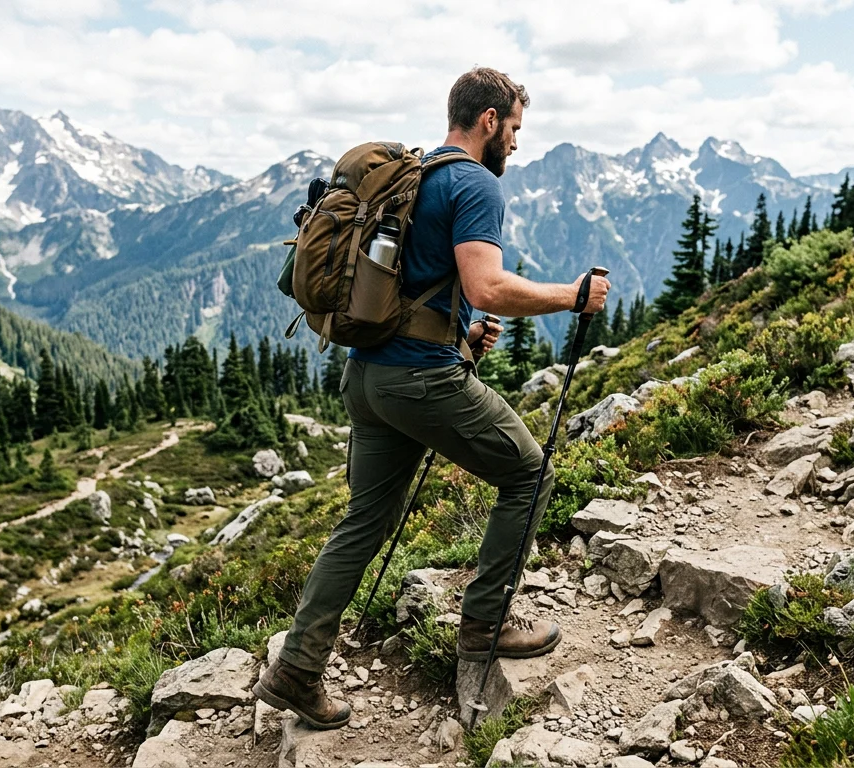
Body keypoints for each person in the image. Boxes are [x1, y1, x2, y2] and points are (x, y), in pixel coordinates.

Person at [253, 67, 611, 730]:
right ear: (488, 121)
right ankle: (485, 624)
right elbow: (488, 286)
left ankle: (296, 672)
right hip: (418, 381)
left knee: (363, 522)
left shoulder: (412, 179)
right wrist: (572, 295)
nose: (516, 143)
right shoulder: (473, 182)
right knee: (530, 473)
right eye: (514, 129)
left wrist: (462, 335)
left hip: (367, 378)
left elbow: (413, 288)